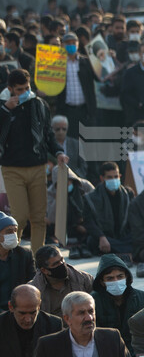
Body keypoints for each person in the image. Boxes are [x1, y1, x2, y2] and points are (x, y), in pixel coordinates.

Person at [0, 69, 67, 255]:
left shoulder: (39, 104)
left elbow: (48, 135)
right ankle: (10, 256)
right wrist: (6, 110)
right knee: (19, 218)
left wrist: (59, 152)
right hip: (12, 169)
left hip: (38, 167)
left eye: (27, 88)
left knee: (38, 218)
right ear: (10, 89)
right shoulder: (2, 106)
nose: (24, 92)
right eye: (19, 89)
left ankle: (38, 262)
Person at [90, 253, 144, 351]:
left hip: (138, 351)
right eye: (110, 278)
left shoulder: (143, 298)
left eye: (120, 276)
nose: (116, 281)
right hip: (107, 352)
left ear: (126, 277)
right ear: (102, 282)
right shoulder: (93, 302)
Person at [0, 284, 63, 357]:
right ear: (11, 307)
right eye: (22, 313)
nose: (28, 319)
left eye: (33, 312)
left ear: (39, 306)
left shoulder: (53, 324)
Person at [83, 161, 135, 257]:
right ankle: (122, 250)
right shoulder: (92, 197)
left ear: (120, 176)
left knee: (137, 238)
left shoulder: (128, 194)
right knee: (92, 241)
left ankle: (114, 249)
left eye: (116, 177)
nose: (113, 180)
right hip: (105, 237)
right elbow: (88, 222)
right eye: (109, 177)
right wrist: (101, 237)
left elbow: (133, 218)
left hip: (123, 236)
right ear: (102, 178)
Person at [53, 32, 97, 138]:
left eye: (74, 43)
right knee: (70, 141)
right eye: (68, 43)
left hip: (85, 110)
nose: (71, 45)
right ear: (62, 45)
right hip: (67, 110)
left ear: (78, 44)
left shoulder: (86, 62)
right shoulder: (57, 64)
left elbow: (100, 76)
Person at [29, 245, 92, 317]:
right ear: (44, 270)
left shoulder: (83, 279)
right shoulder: (33, 291)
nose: (61, 264)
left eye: (62, 260)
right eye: (56, 264)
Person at [0, 213, 34, 306]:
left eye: (15, 231)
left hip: (19, 308)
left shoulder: (24, 254)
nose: (13, 235)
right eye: (9, 232)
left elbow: (33, 282)